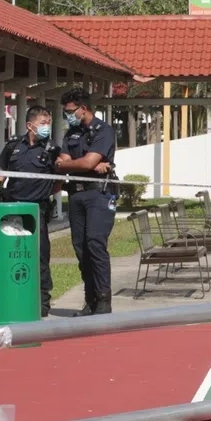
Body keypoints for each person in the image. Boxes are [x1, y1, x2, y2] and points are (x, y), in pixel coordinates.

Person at [0, 106, 62, 316]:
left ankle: (42, 302)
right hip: (12, 210)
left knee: (39, 256)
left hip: (36, 212)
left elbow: (58, 182)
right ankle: (11, 294)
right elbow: (0, 173)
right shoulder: (13, 146)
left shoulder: (53, 150)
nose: (47, 127)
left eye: (48, 123)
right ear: (30, 125)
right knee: (10, 254)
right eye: (43, 123)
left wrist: (43, 193)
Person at [55, 88, 118, 316]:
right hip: (76, 195)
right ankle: (90, 300)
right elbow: (65, 162)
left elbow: (85, 164)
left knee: (95, 244)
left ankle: (103, 300)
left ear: (83, 109)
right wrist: (80, 164)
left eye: (70, 111)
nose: (68, 115)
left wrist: (78, 163)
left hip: (98, 194)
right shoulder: (70, 133)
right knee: (81, 249)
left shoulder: (103, 130)